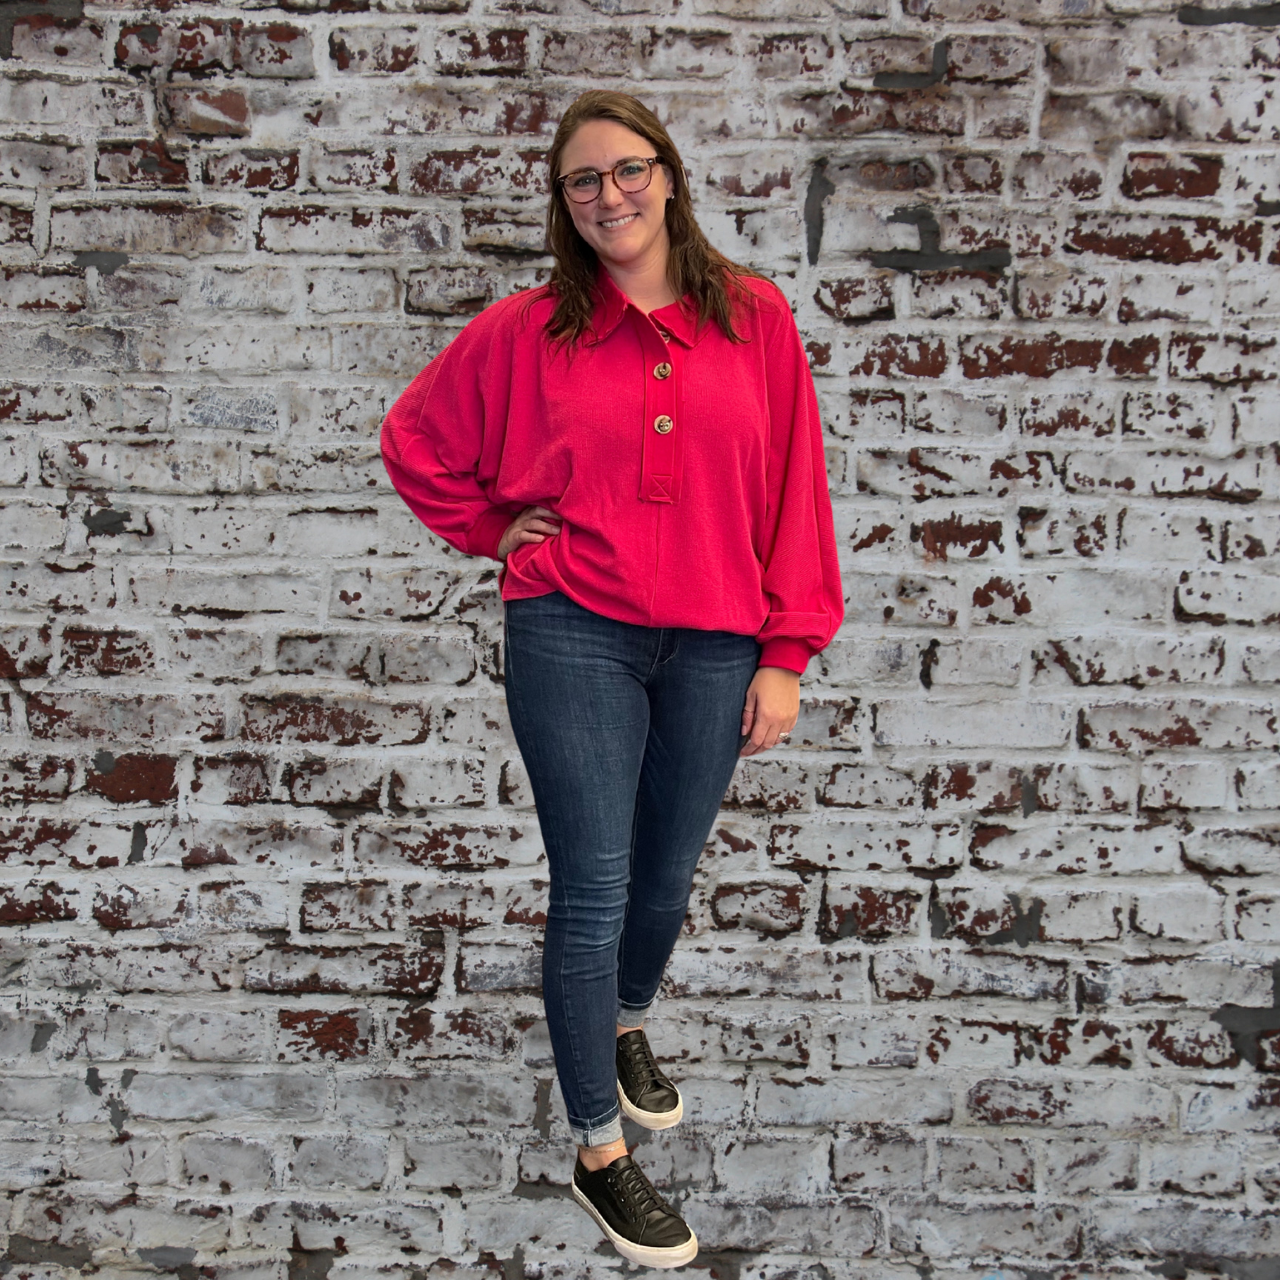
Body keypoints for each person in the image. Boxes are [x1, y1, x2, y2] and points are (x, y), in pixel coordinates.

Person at [381, 89, 843, 1268]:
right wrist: (495, 530)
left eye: (626, 170)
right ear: (563, 203)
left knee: (662, 877)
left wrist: (785, 651)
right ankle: (599, 1150)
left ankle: (627, 1018)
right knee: (590, 885)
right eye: (582, 182)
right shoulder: (531, 329)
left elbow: (796, 490)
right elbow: (413, 438)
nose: (608, 197)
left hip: (716, 638)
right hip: (571, 626)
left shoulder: (754, 319)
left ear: (669, 175)